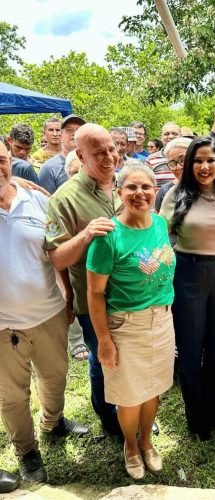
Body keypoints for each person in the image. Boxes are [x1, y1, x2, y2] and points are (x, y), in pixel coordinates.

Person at [0, 140, 88, 485]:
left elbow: (56, 249)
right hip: (4, 325)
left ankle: (53, 422)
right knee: (13, 393)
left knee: (55, 376)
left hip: (49, 311)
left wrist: (67, 296)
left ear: (11, 161)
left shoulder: (37, 199)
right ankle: (26, 450)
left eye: (1, 160)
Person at [87, 161, 176, 479]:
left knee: (153, 390)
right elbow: (95, 293)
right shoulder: (108, 237)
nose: (140, 193)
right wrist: (104, 341)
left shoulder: (159, 223)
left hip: (163, 321)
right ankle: (130, 445)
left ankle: (148, 440)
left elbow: (162, 267)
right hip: (125, 325)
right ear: (119, 192)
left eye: (146, 187)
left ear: (155, 190)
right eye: (132, 187)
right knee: (129, 397)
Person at [45, 124, 123, 437]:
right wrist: (86, 234)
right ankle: (109, 417)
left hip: (134, 297)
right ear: (80, 155)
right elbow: (57, 257)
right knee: (105, 360)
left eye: (111, 149)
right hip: (93, 302)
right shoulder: (62, 200)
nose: (108, 157)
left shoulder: (127, 185)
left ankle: (130, 411)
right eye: (98, 153)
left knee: (128, 359)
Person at [160, 137, 215, 440]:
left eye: (210, 160)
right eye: (198, 160)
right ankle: (196, 415)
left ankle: (214, 407)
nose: (204, 167)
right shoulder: (175, 194)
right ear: (189, 163)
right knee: (191, 350)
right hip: (187, 273)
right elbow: (162, 237)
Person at [63, 150, 89, 361]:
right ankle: (76, 341)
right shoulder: (63, 200)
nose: (78, 175)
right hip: (75, 271)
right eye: (73, 172)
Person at [39, 114, 86, 194]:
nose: (74, 133)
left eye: (78, 130)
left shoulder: (92, 163)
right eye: (69, 130)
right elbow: (46, 202)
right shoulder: (49, 168)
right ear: (60, 136)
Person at [154, 137, 191, 213]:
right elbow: (159, 222)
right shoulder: (165, 191)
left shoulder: (211, 188)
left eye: (183, 160)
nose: (178, 167)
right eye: (172, 163)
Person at [146, 122, 182, 188]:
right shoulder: (151, 159)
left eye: (175, 134)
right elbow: (146, 184)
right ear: (161, 137)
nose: (171, 136)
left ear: (181, 136)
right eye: (166, 134)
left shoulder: (188, 157)